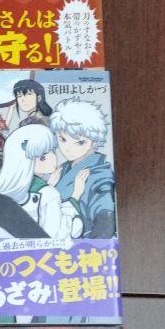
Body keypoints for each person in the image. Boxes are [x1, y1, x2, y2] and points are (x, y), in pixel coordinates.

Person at [49, 97, 116, 238]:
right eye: (63, 139)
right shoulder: (62, 169)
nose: (68, 148)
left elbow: (105, 219)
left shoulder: (100, 174)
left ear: (94, 141)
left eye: (80, 142)